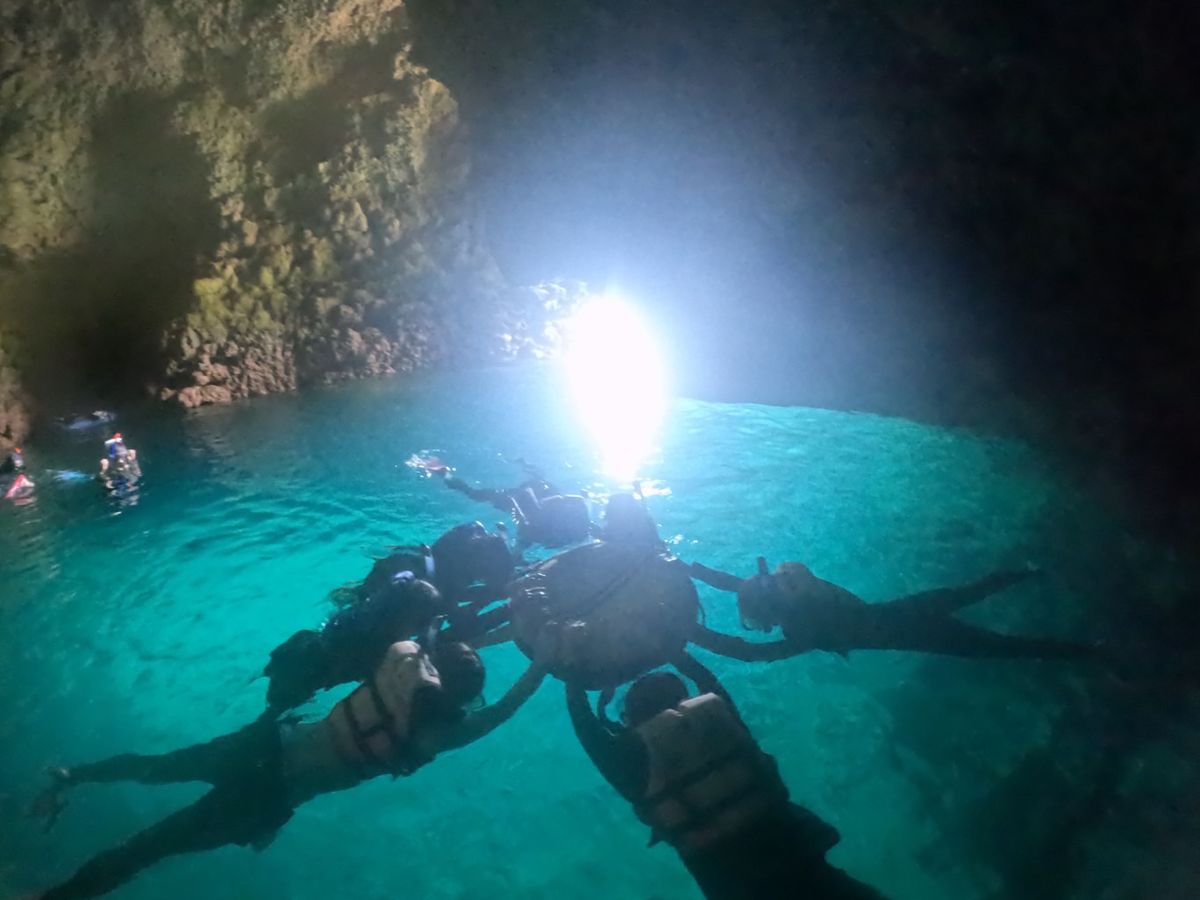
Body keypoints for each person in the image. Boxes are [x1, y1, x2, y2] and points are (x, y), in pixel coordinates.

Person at [30, 633, 548, 900]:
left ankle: (73, 777)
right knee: (153, 846)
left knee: (156, 766)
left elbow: (421, 648)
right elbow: (503, 711)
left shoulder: (400, 669)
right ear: (461, 698)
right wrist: (544, 661)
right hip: (269, 794)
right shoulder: (439, 734)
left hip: (265, 743)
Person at [565, 651, 888, 899]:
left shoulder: (633, 766)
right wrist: (673, 648)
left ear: (632, 720)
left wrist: (569, 668)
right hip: (818, 879)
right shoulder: (720, 726)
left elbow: (584, 726)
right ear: (687, 701)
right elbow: (709, 683)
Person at [686, 557, 1100, 662]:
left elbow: (752, 653)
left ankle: (1089, 653)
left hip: (920, 635)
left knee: (1005, 648)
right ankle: (1034, 569)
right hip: (912, 608)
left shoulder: (802, 632)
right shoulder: (803, 594)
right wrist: (696, 571)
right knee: (974, 590)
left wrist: (692, 633)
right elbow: (740, 585)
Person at [438, 458, 593, 550]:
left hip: (528, 504)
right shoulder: (568, 519)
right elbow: (575, 500)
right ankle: (446, 476)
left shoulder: (531, 531)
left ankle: (446, 476)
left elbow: (520, 543)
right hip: (536, 503)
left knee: (475, 494)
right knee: (476, 494)